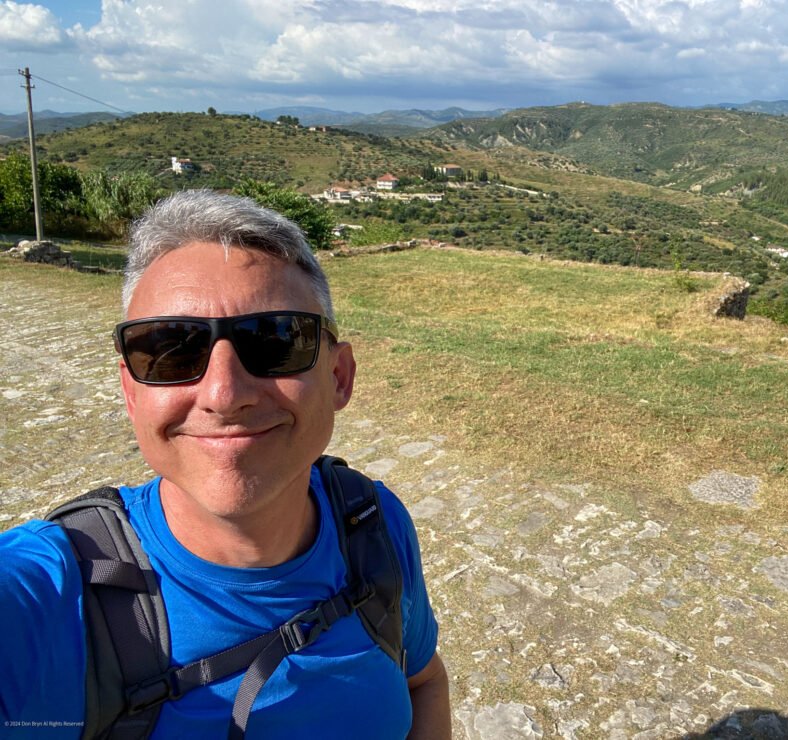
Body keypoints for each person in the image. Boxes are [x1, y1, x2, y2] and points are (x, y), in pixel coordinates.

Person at [0, 190, 451, 737]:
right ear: (131, 392)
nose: (223, 393)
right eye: (169, 349)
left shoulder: (373, 523)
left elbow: (422, 680)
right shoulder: (45, 596)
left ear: (339, 377)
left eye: (275, 340)